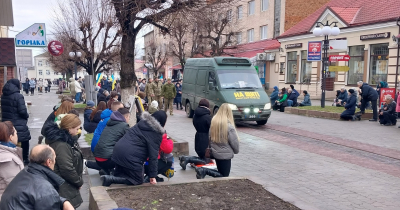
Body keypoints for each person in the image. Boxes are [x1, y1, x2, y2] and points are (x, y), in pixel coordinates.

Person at [101, 111, 167, 186]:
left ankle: (111, 178)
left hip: (117, 150)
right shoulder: (156, 134)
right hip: (130, 156)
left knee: (121, 174)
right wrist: (153, 176)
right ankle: (111, 179)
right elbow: (153, 156)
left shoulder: (141, 123)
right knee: (138, 180)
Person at [0, 145, 75, 210]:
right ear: (49, 162)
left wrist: (63, 202)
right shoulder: (45, 189)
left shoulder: (26, 172)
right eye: (54, 159)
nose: (55, 162)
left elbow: (38, 196)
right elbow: (44, 195)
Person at [44, 114, 84, 208]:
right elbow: (66, 168)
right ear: (69, 128)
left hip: (65, 184)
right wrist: (78, 182)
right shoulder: (62, 145)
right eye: (77, 128)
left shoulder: (65, 140)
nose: (78, 131)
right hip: (64, 187)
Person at [195, 103, 239, 179]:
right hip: (225, 155)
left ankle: (204, 170)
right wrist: (236, 151)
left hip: (215, 153)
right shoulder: (229, 127)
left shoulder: (214, 123)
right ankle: (204, 170)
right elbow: (234, 143)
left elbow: (209, 137)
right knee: (224, 175)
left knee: (220, 173)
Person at [1, 79, 31, 164]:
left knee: (8, 141)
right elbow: (22, 111)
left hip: (6, 123)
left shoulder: (3, 95)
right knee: (25, 139)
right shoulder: (18, 96)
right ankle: (25, 159)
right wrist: (26, 116)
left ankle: (12, 157)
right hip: (18, 122)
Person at [93, 108, 130, 175]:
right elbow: (130, 141)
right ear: (126, 117)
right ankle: (118, 173)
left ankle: (106, 170)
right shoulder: (124, 126)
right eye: (129, 117)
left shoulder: (109, 123)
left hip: (97, 157)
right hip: (108, 159)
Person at [179, 99, 212, 170]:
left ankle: (184, 158)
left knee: (201, 156)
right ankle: (187, 159)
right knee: (205, 160)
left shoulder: (195, 115)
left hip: (197, 136)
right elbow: (211, 127)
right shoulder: (207, 117)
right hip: (205, 138)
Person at [0, 121, 23, 199]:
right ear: (10, 137)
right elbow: (17, 185)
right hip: (7, 202)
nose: (17, 136)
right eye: (16, 133)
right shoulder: (8, 160)